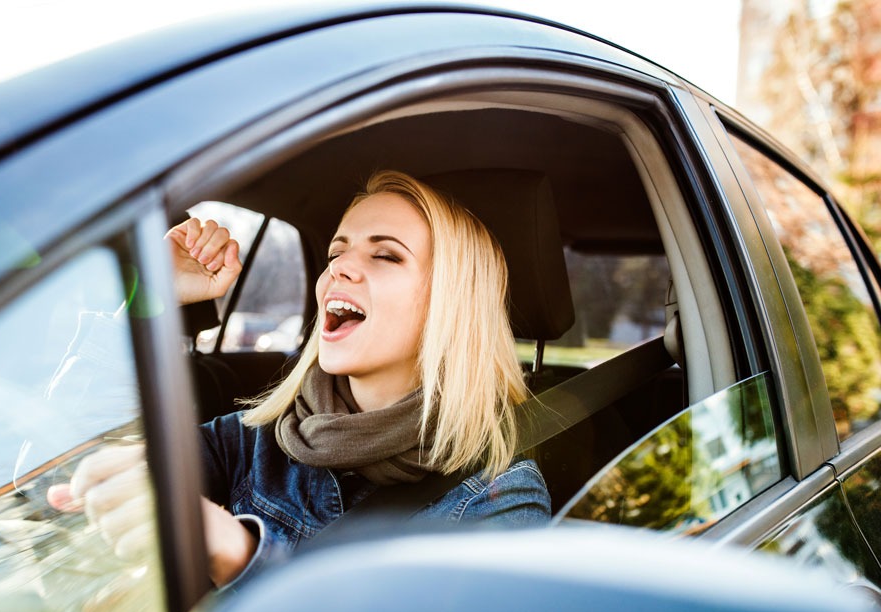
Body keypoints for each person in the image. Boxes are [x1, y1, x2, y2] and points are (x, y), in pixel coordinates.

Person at [51, 170, 551, 589]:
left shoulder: (499, 499)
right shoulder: (257, 440)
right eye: (337, 253)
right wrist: (151, 300)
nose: (340, 269)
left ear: (452, 304)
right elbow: (71, 468)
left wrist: (237, 552)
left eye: (386, 255)